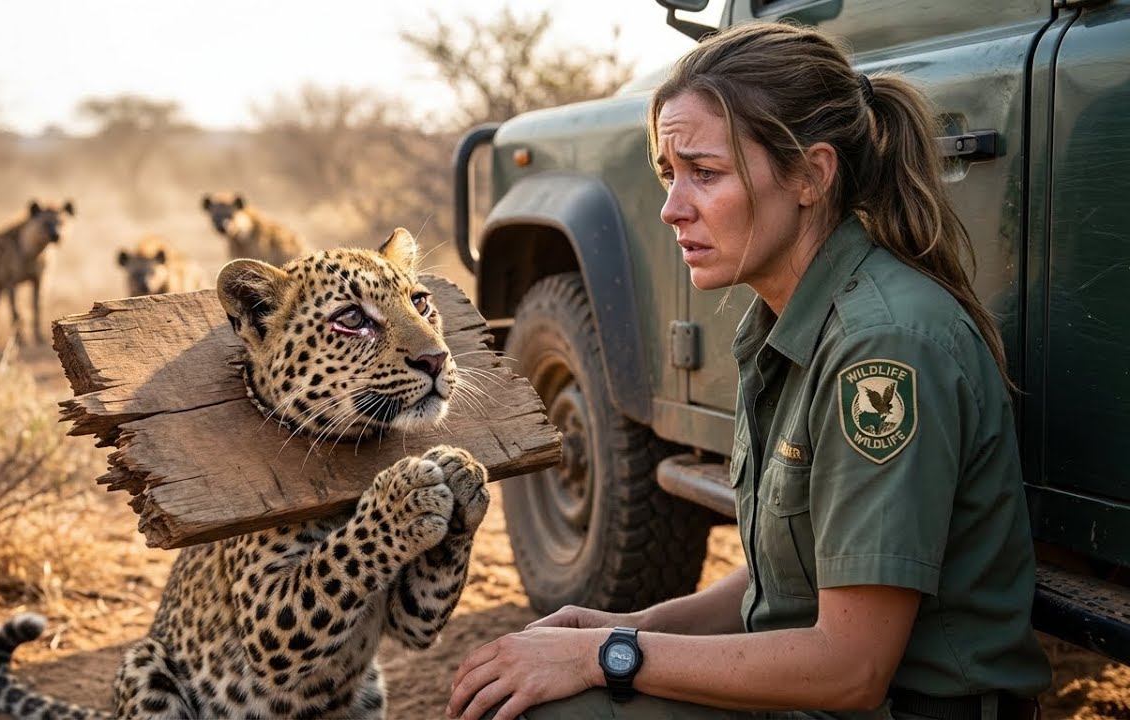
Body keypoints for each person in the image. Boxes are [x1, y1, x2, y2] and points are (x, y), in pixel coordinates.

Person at [446, 20, 1051, 720]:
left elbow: (851, 667)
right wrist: (625, 627)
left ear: (811, 175)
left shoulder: (880, 350)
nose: (672, 209)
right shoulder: (789, 320)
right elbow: (790, 582)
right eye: (669, 175)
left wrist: (605, 657)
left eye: (705, 174)